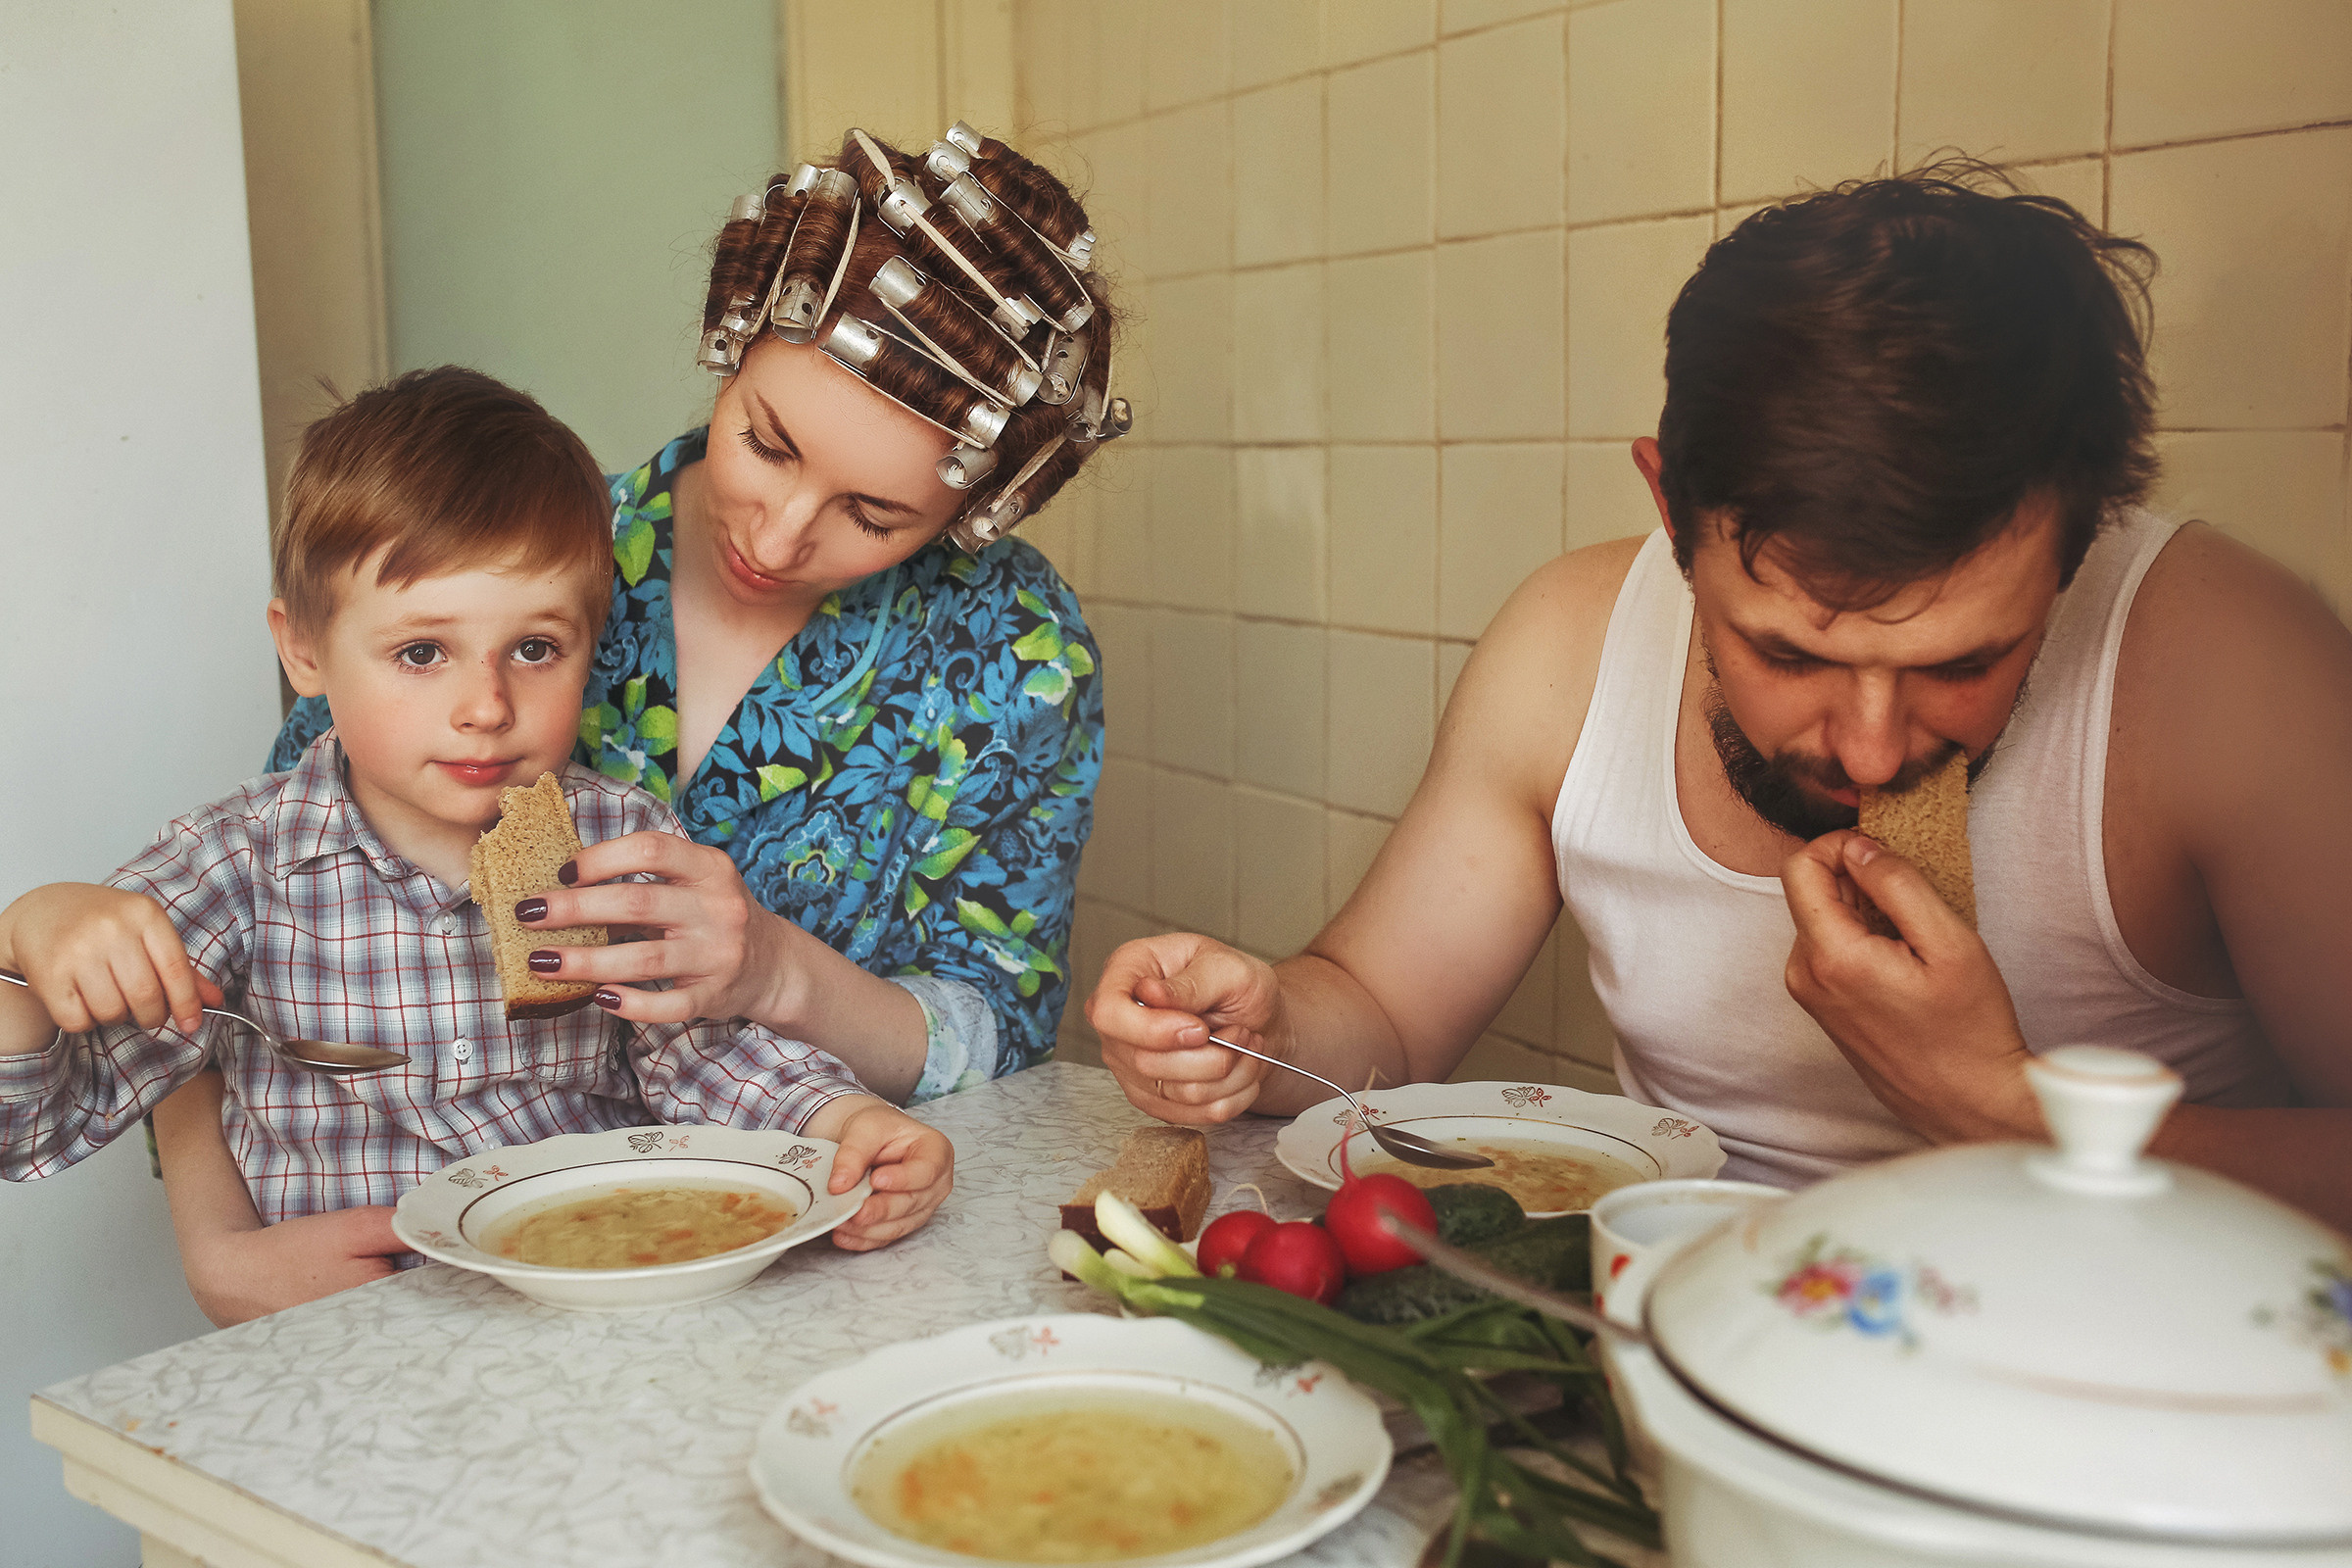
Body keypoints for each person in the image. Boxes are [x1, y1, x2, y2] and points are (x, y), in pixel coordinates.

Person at [1088, 166, 2352, 1234]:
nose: (1870, 746)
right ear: (1671, 509)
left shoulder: (2231, 669)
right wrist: (1248, 1027)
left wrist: (2003, 1107)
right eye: (1789, 655)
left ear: (2080, 544)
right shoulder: (1567, 643)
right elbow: (1382, 1020)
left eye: (1964, 664)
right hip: (1683, 1350)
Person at [148, 122, 1130, 1317]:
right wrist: (214, 1239)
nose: (776, 537)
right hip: (405, 1286)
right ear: (731, 340)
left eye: (875, 515)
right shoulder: (523, 567)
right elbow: (245, 932)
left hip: (815, 1268)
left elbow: (1003, 1027)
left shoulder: (1013, 656)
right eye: (765, 443)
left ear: (975, 509)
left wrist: (777, 972)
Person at [0, 368, 957, 1326]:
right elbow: (37, 1118)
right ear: (303, 652)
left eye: (535, 648)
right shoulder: (235, 867)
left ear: (594, 642)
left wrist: (846, 1126)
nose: (487, 708)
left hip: (591, 1311)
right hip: (350, 1345)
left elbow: (704, 1057)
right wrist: (27, 942)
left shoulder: (620, 840)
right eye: (422, 653)